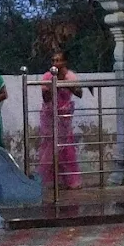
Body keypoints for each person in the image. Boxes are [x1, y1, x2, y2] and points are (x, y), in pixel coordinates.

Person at [37, 50, 83, 189]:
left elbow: (79, 93)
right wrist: (53, 84)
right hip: (50, 116)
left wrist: (65, 83)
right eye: (53, 60)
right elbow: (45, 98)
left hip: (65, 117)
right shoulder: (47, 76)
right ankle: (46, 181)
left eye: (58, 60)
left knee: (66, 149)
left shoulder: (70, 76)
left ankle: (71, 181)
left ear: (64, 62)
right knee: (49, 147)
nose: (56, 63)